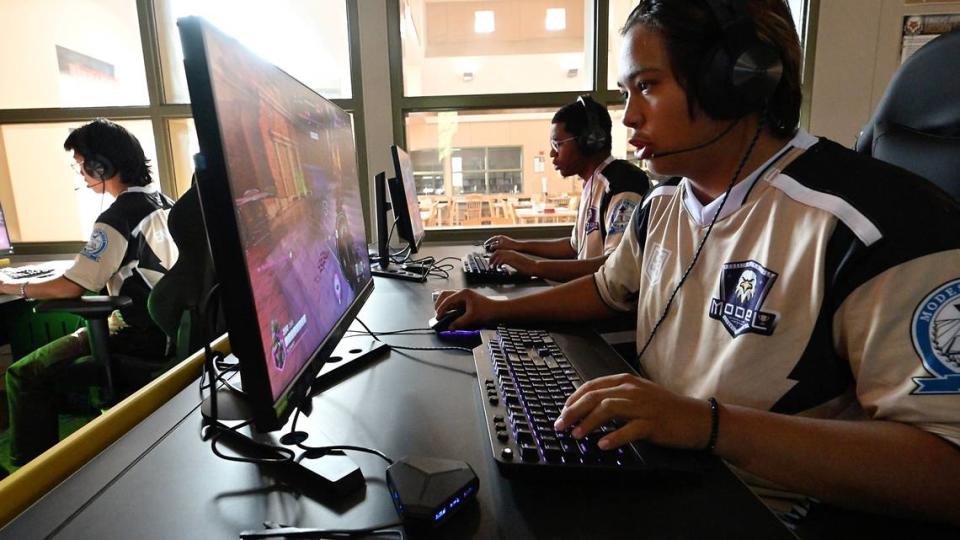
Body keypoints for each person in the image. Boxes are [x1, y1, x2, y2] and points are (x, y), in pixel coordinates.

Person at [437, 0, 960, 526]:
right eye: (626, 93)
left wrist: (707, 425)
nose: (630, 116)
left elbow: (945, 469)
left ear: (738, 80)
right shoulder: (663, 204)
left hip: (764, 510)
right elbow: (604, 289)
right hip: (668, 469)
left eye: (647, 86)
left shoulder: (876, 223)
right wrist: (491, 309)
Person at [1, 118, 178, 466]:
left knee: (25, 373)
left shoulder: (117, 217)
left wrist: (11, 286)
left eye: (81, 164)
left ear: (101, 166)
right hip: (168, 330)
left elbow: (72, 285)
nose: (81, 173)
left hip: (138, 336)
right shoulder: (163, 201)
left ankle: (31, 473)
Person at [484, 95, 650, 282]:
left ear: (588, 141)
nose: (552, 153)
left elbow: (615, 265)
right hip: (589, 292)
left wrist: (533, 266)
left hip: (609, 305)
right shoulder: (592, 183)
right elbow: (573, 247)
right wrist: (518, 246)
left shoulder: (623, 185)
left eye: (558, 144)